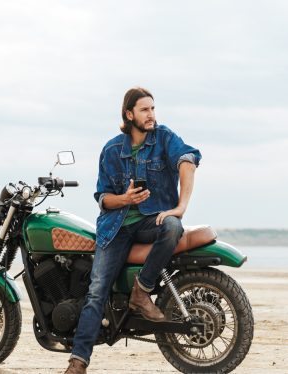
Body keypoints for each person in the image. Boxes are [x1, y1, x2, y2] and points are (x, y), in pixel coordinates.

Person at [64, 87, 202, 374]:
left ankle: (142, 291)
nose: (151, 115)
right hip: (116, 228)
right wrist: (124, 199)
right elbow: (103, 197)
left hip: (153, 220)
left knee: (174, 226)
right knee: (96, 291)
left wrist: (180, 207)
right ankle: (78, 362)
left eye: (153, 109)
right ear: (129, 114)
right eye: (144, 110)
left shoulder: (164, 138)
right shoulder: (113, 149)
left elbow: (188, 160)